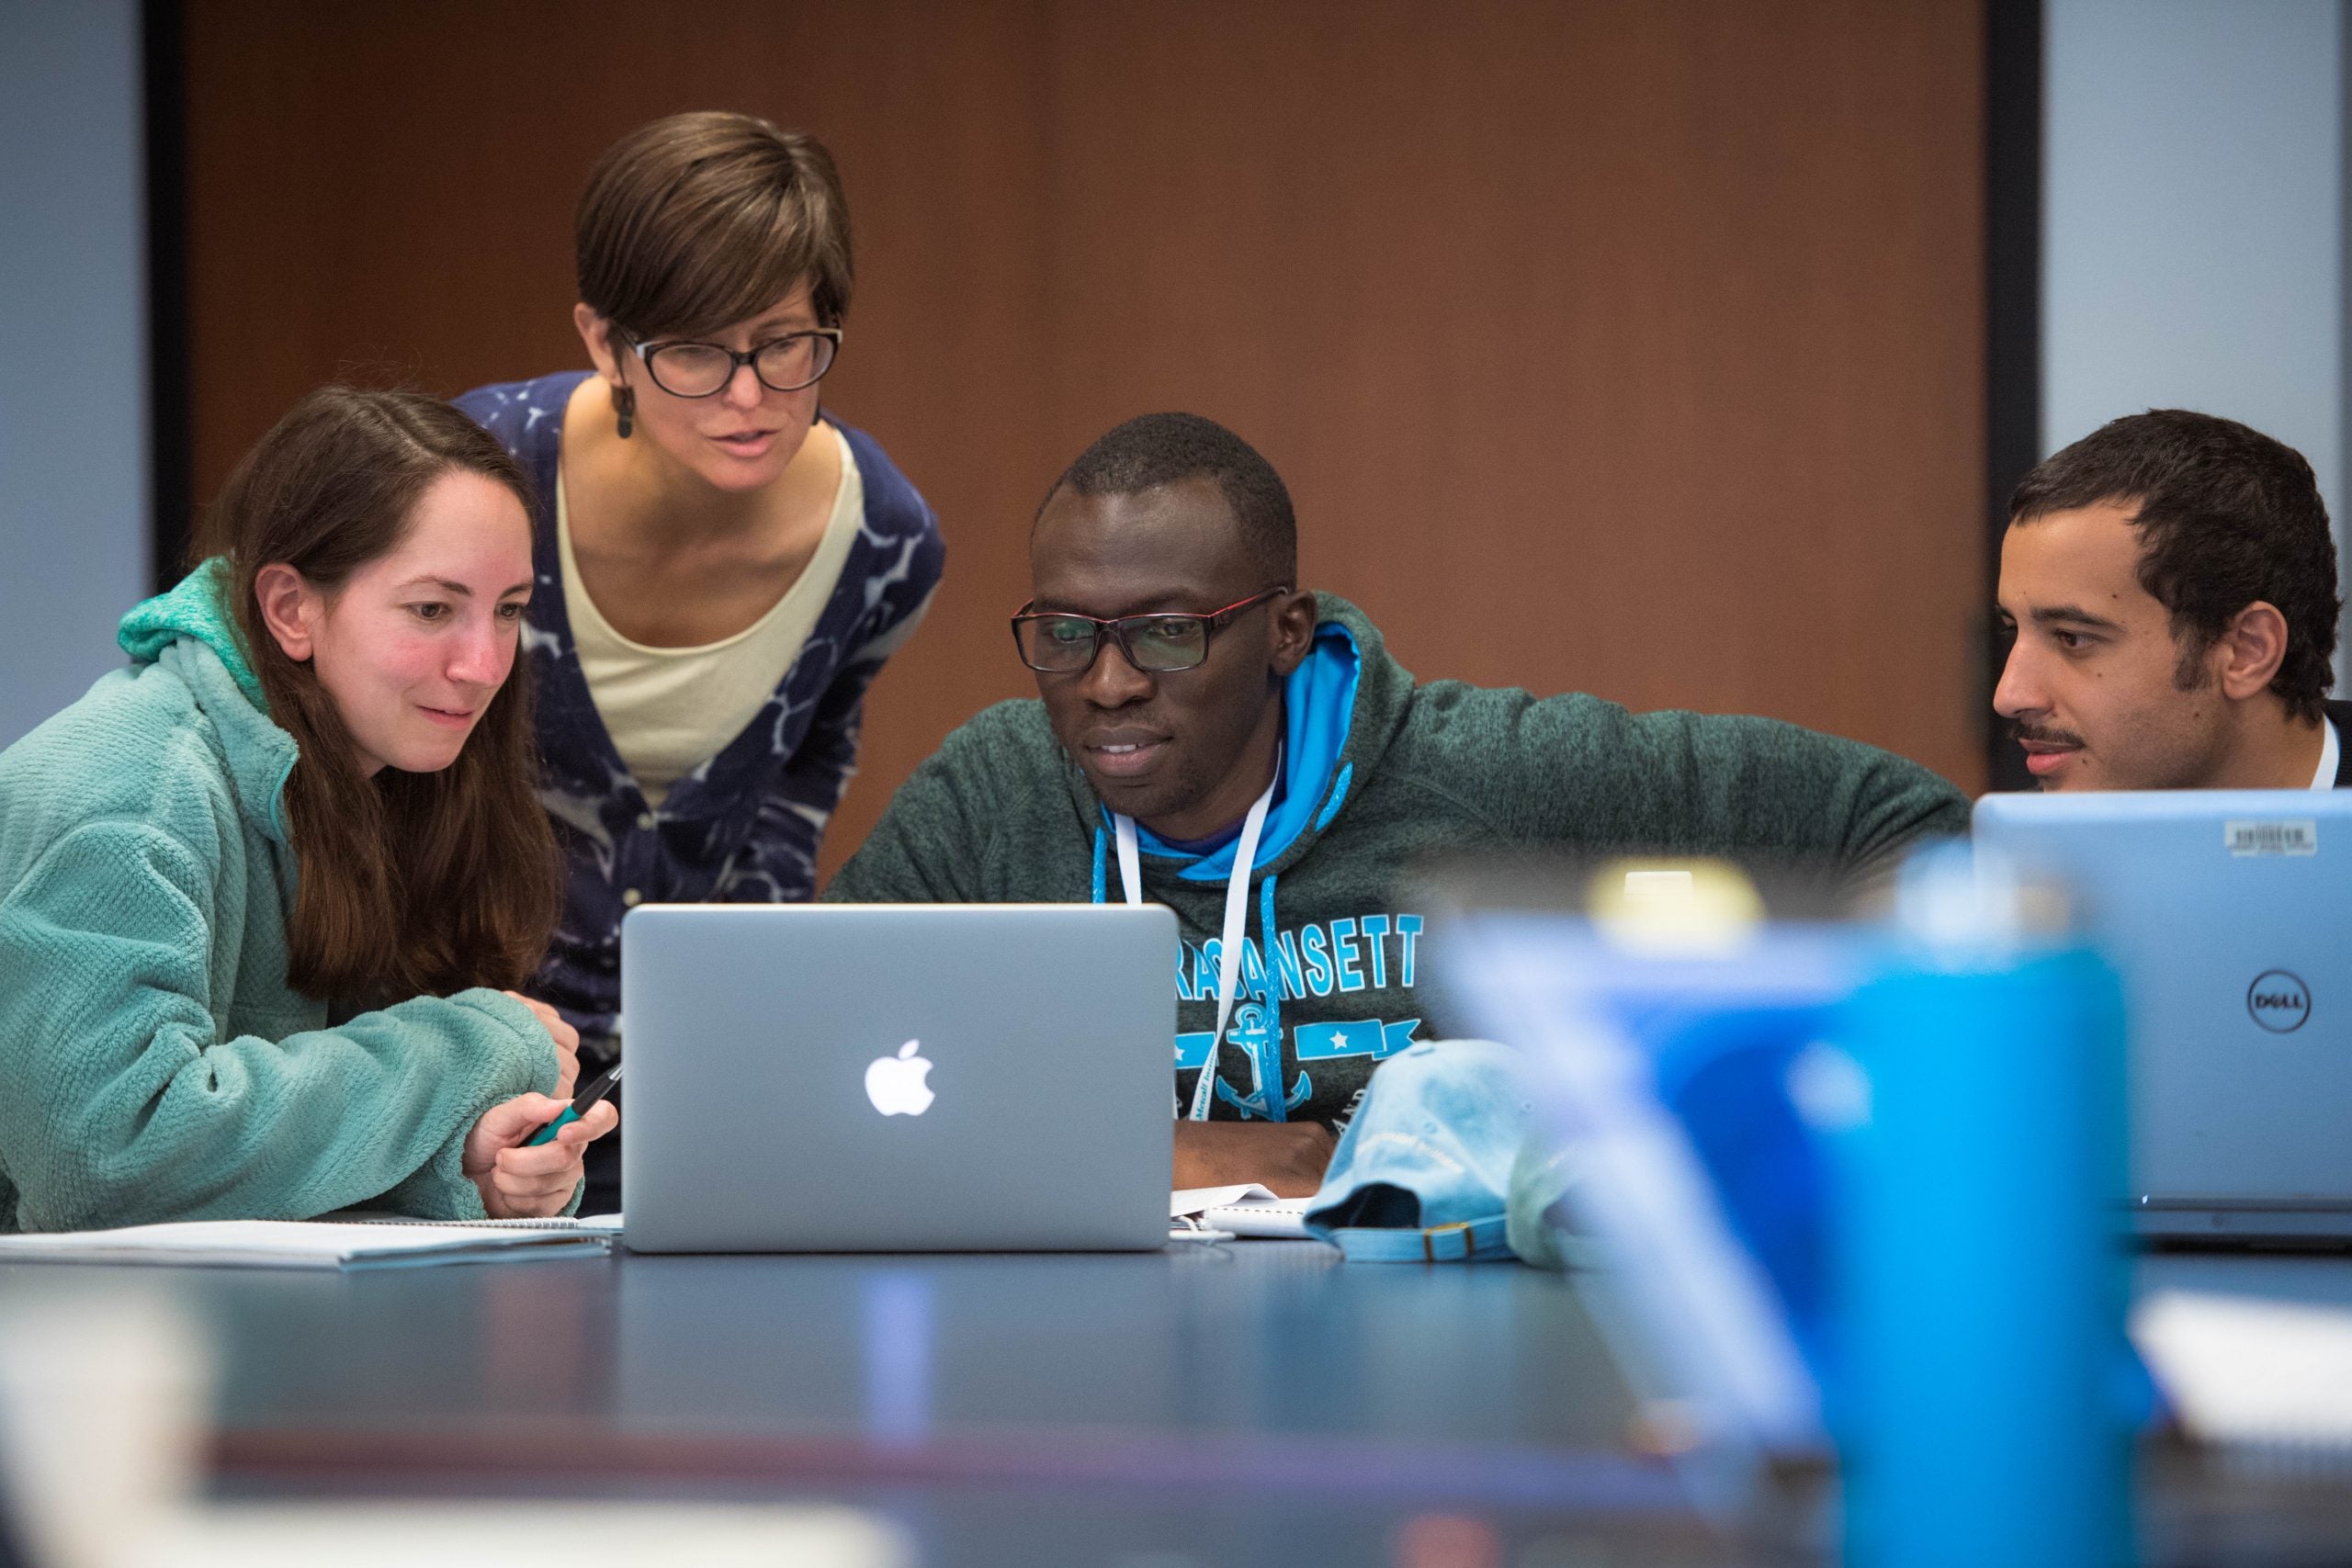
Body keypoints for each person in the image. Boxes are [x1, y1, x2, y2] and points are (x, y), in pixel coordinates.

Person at [824, 412, 1969, 1194]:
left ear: (1282, 630)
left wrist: (1763, 1113)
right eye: (1066, 634)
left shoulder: (1496, 773)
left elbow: (1906, 825)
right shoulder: (995, 792)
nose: (1107, 682)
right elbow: (804, 1051)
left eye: (1168, 632)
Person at [457, 112, 944, 1209]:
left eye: (784, 343)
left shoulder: (886, 543)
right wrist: (450, 1065)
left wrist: (758, 1057)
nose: (746, 395)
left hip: (710, 1102)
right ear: (603, 343)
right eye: (689, 350)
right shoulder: (477, 479)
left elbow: (789, 810)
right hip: (461, 1084)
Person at [0, 388, 615, 1232]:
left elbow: (261, 1154)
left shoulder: (386, 760)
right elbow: (108, 1159)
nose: (482, 664)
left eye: (507, 611)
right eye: (433, 609)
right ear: (290, 609)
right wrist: (462, 1049)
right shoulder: (132, 786)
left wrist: (468, 1168)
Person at [1996, 409, 2349, 791]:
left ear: (2249, 651)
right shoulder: (2024, 844)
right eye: (2012, 629)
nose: (2010, 696)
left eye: (2072, 638)